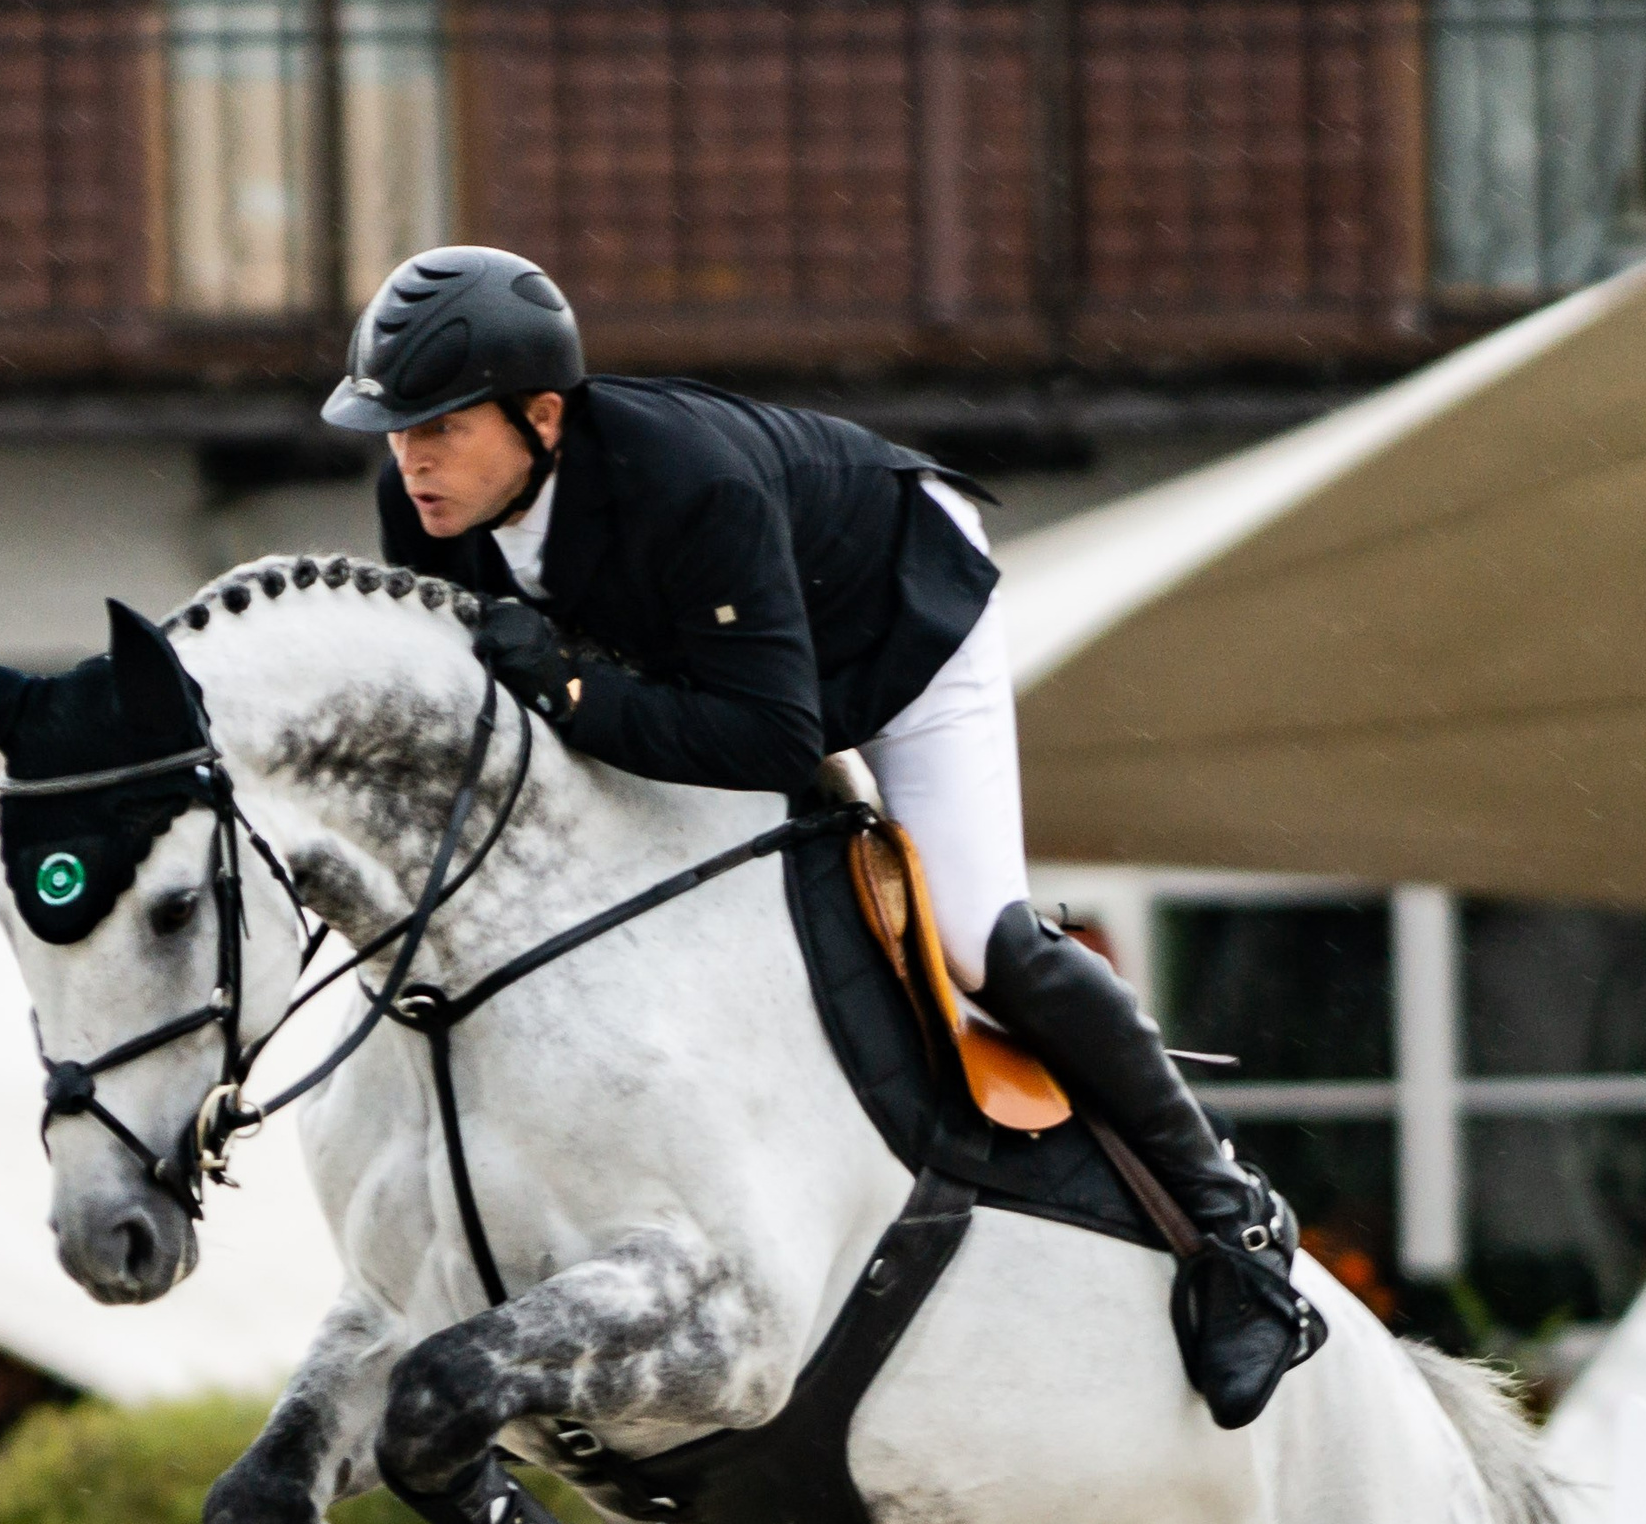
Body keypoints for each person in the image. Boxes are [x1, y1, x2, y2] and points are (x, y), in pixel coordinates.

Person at [324, 245, 1322, 1426]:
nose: (412, 458)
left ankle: (1231, 1223)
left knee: (969, 937)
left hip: (896, 626)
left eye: (439, 425)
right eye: (395, 430)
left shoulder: (685, 484)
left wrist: (579, 690)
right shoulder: (423, 504)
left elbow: (772, 736)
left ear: (541, 416)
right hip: (710, 661)